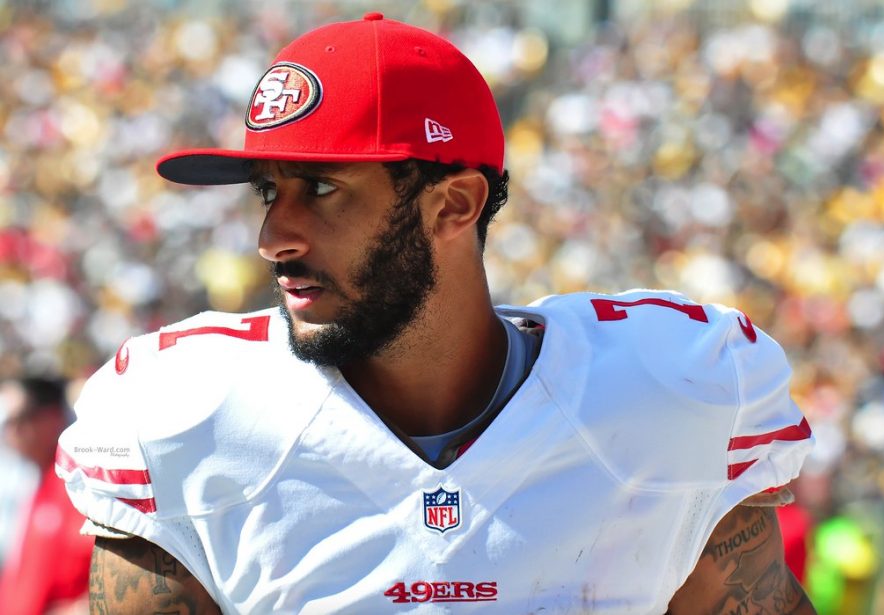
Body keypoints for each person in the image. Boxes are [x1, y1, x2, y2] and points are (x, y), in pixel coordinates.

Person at [56, 13, 816, 614]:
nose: (273, 238)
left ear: (454, 203)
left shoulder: (666, 399)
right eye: (268, 191)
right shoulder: (187, 416)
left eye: (320, 190)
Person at [0, 377, 93, 615]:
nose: (11, 432)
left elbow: (111, 578)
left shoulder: (79, 484)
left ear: (52, 417)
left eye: (20, 419)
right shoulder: (32, 481)